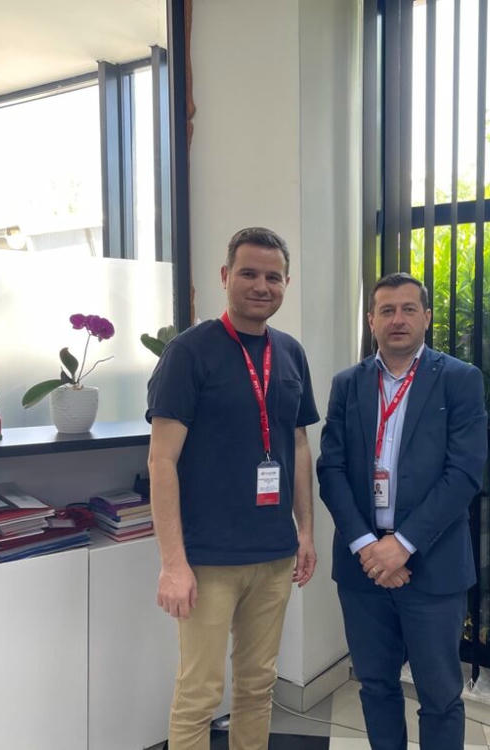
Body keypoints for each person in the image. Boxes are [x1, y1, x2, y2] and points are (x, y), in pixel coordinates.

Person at [146, 227, 319, 750]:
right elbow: (161, 460)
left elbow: (298, 446)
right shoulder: (189, 352)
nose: (261, 286)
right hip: (208, 560)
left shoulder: (290, 353)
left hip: (273, 554)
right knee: (200, 693)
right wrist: (173, 563)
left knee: (258, 684)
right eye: (248, 273)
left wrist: (305, 532)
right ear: (225, 276)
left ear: (286, 283)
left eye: (273, 277)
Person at [317, 272, 488, 750]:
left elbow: (464, 474)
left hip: (433, 566)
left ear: (426, 317)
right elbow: (331, 469)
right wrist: (368, 547)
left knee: (440, 697)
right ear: (371, 320)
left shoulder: (459, 380)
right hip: (363, 568)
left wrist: (403, 545)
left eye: (409, 309)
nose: (398, 319)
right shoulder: (348, 384)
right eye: (387, 310)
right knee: (375, 686)